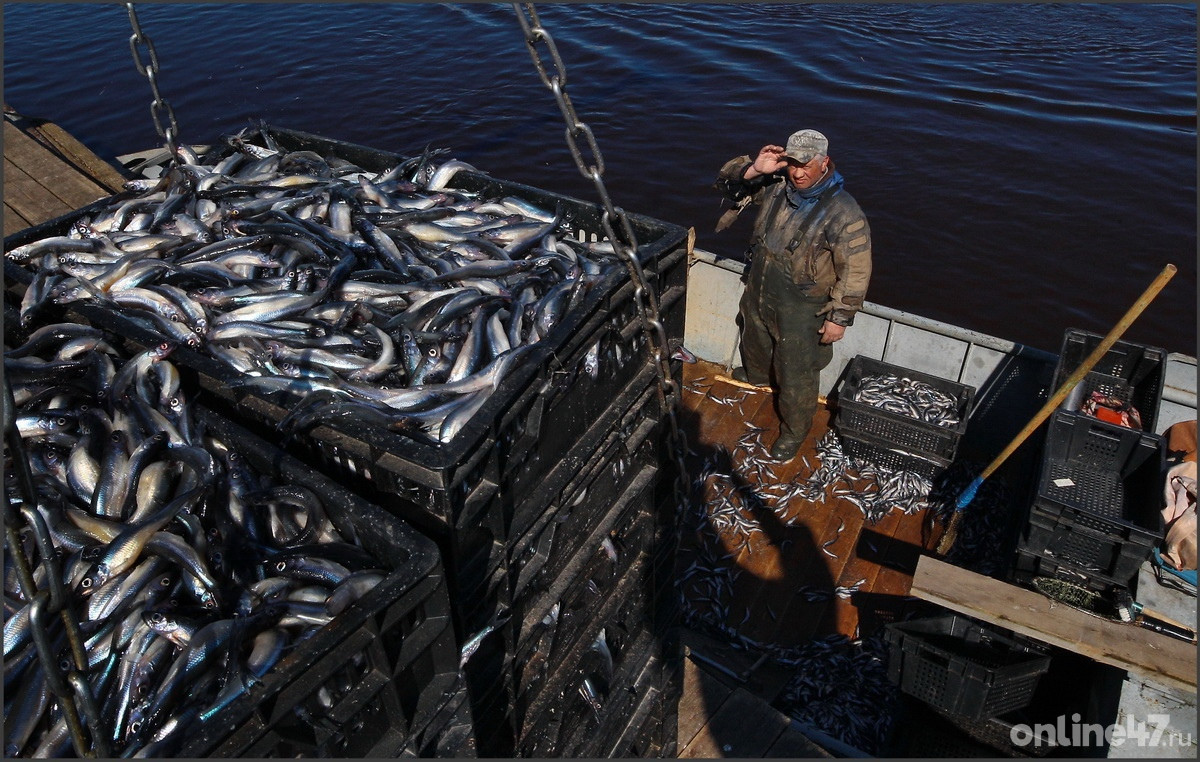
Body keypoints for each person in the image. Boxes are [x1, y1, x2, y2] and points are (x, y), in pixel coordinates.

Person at [714, 129, 873, 460]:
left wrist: (839, 318)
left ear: (824, 162)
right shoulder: (776, 186)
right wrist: (756, 170)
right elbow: (726, 185)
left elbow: (856, 271)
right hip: (761, 284)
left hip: (803, 306)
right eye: (791, 164)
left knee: (796, 370)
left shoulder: (845, 213)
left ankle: (795, 430)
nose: (797, 173)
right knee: (754, 336)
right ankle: (757, 376)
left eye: (805, 166)